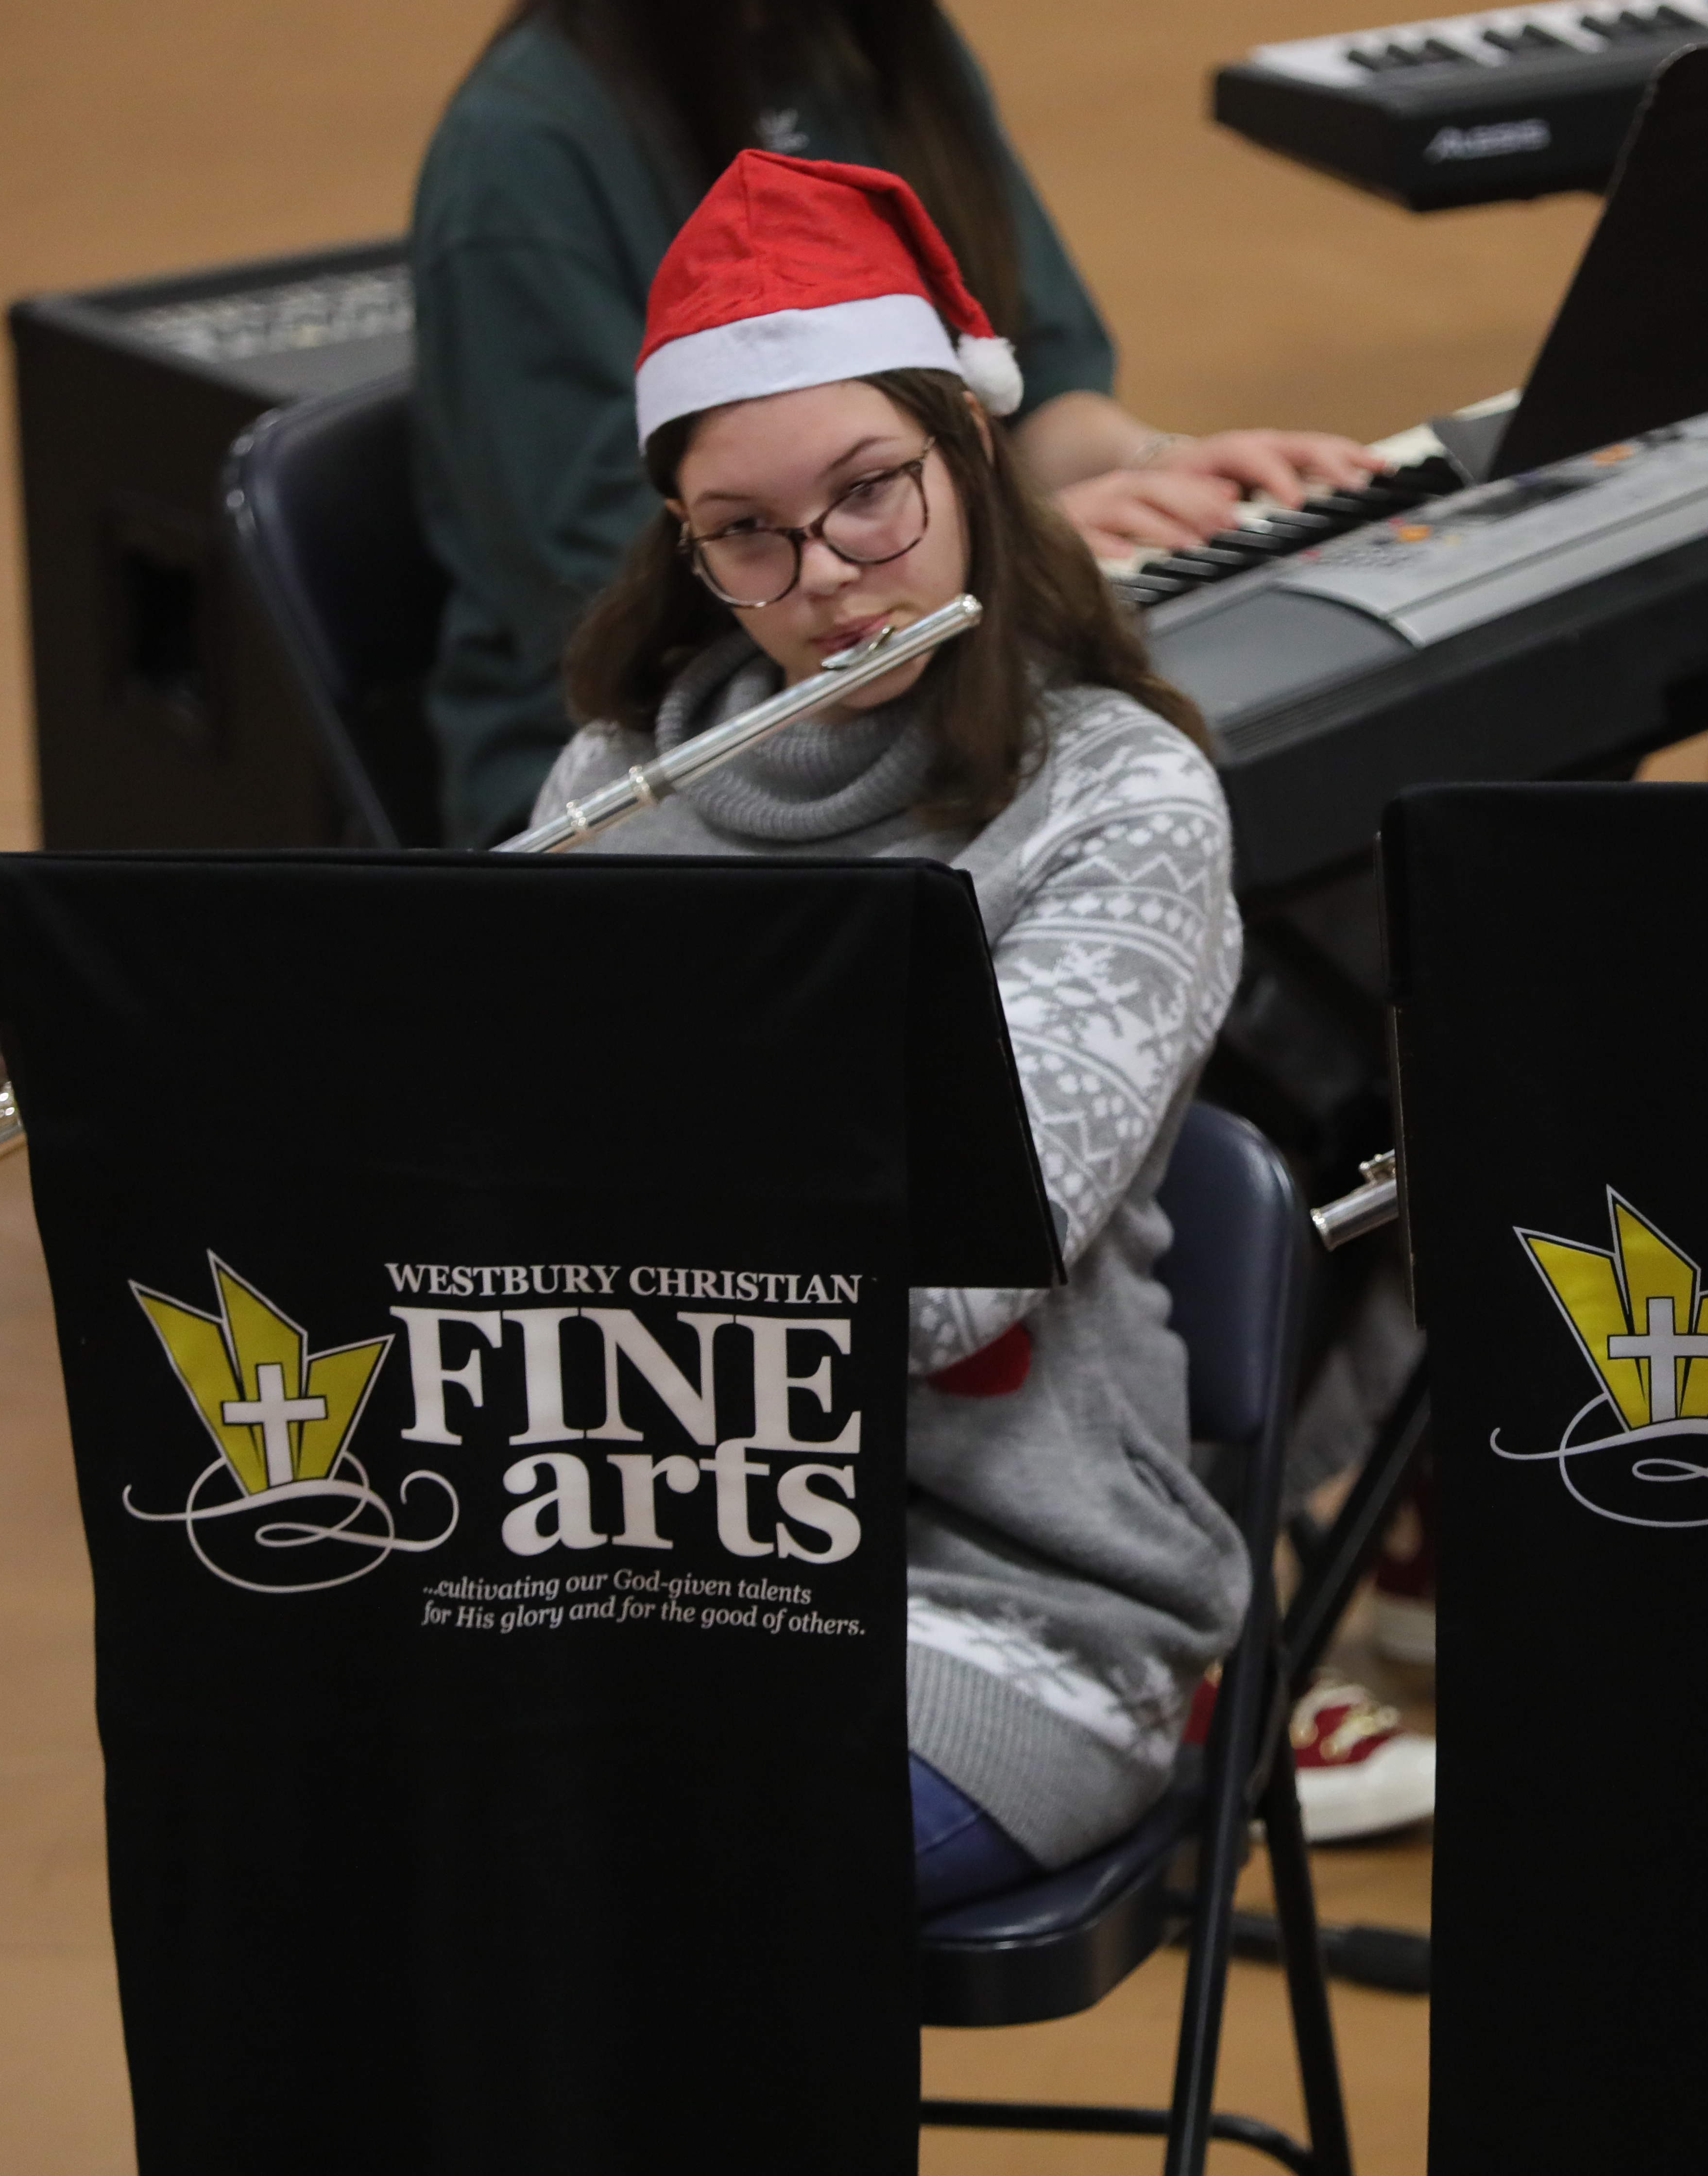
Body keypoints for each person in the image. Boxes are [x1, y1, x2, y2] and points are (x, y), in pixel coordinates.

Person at [541, 147, 1257, 1909]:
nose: (829, 579)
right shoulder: (615, 791)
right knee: (343, 1801)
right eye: (749, 536)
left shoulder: (1116, 802)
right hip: (648, 1564)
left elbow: (944, 1269)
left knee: (636, 1882)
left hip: (1016, 1617)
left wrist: (610, 1212)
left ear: (973, 458)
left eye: (874, 495)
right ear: (689, 541)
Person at [412, 0, 1383, 847]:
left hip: (926, 664)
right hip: (679, 744)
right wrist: (982, 535)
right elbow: (652, 574)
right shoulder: (521, 148)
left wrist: (1164, 466)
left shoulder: (872, 43)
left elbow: (1027, 391)